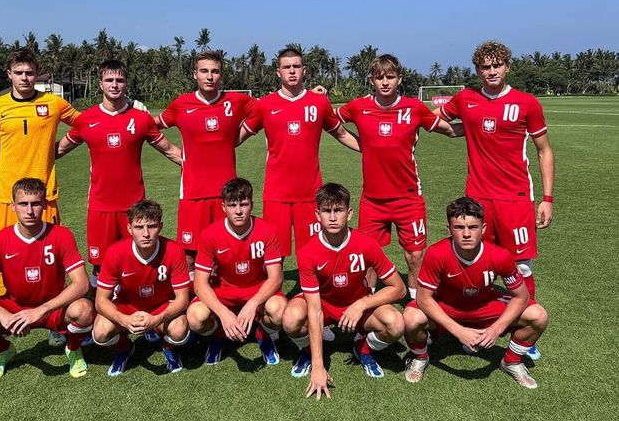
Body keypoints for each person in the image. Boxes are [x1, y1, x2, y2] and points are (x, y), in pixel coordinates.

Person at [432, 40, 555, 360]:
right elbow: (437, 120)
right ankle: (465, 324)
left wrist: (547, 198)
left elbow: (544, 150)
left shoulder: (526, 103)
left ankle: (522, 331)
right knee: (472, 265)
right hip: (477, 199)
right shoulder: (466, 98)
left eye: (496, 65)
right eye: (485, 67)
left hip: (515, 199)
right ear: (477, 70)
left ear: (507, 67)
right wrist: (457, 130)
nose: (491, 72)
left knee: (521, 267)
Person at [336, 54, 462, 299]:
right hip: (373, 200)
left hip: (408, 199)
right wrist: (362, 145)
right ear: (371, 79)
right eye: (380, 77)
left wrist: (484, 124)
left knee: (415, 255)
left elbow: (448, 131)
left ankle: (416, 302)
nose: (385, 82)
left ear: (399, 79)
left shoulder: (414, 108)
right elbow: (330, 121)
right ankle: (367, 301)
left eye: (390, 77)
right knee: (369, 256)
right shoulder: (358, 106)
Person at [0, 178, 94, 381]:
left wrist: (40, 311)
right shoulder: (0, 239)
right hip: (14, 308)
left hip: (51, 309)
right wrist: (3, 315)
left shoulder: (61, 235)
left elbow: (81, 283)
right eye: (23, 204)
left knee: (84, 310)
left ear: (45, 205)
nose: (30, 210)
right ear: (13, 207)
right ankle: (3, 350)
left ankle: (73, 348)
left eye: (36, 203)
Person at [56, 60, 182, 288]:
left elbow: (170, 151)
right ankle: (100, 315)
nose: (114, 85)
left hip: (134, 207)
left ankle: (136, 310)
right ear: (100, 84)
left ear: (126, 83)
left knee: (135, 260)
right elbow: (59, 150)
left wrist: (198, 163)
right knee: (100, 265)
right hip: (100, 206)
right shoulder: (86, 120)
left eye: (120, 80)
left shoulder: (141, 119)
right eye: (109, 80)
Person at [403, 197, 548, 389]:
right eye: (458, 227)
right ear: (449, 229)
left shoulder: (499, 255)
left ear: (484, 228)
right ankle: (420, 358)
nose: (466, 234)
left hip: (484, 306)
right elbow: (423, 298)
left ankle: (511, 361)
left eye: (472, 227)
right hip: (447, 306)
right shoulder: (437, 253)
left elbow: (521, 296)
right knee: (411, 318)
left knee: (538, 316)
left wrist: (496, 329)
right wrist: (459, 331)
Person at [282, 183, 406, 400]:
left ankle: (364, 347)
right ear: (317, 214)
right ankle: (308, 351)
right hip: (324, 305)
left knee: (396, 324)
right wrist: (318, 367)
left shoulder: (366, 244)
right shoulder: (307, 252)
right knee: (291, 318)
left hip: (357, 302)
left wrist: (361, 304)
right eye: (326, 211)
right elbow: (314, 308)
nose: (332, 217)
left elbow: (400, 288)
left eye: (338, 210)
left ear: (348, 214)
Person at [0, 48, 79, 298]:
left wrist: (58, 149)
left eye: (29, 73)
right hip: (5, 196)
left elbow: (85, 125)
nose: (24, 78)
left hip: (44, 193)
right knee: (0, 255)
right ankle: (1, 307)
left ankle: (55, 320)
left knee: (50, 253)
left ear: (37, 74)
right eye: (18, 72)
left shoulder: (53, 103)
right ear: (9, 74)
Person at [238, 48, 360, 257]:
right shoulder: (265, 105)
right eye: (287, 67)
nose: (292, 71)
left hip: (310, 192)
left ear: (304, 70)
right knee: (275, 251)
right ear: (278, 72)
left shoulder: (319, 102)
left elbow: (340, 133)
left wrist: (373, 148)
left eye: (296, 66)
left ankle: (310, 290)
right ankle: (277, 290)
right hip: (277, 193)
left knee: (312, 250)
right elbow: (236, 137)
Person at [154, 51, 258, 271]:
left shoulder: (237, 101)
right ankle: (192, 303)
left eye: (215, 71)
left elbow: (267, 111)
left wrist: (237, 138)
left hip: (227, 194)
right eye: (204, 71)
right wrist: (174, 153)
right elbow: (149, 127)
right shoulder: (181, 104)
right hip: (193, 192)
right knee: (190, 254)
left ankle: (223, 298)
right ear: (195, 75)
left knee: (226, 251)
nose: (209, 76)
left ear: (221, 75)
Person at [187, 178, 286, 366]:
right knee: (195, 317)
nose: (239, 211)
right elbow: (200, 283)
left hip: (256, 288)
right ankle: (219, 334)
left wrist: (253, 303)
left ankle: (262, 332)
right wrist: (223, 313)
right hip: (222, 292)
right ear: (223, 207)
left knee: (279, 311)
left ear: (252, 205)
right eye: (232, 205)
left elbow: (276, 278)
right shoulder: (210, 234)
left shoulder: (267, 230)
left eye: (244, 204)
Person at [93, 199, 191, 376]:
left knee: (179, 330)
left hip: (160, 305)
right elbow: (100, 301)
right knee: (100, 332)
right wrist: (123, 319)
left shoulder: (174, 250)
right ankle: (125, 348)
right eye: (139, 227)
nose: (146, 233)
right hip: (128, 306)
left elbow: (182, 299)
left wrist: (157, 319)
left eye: (151, 226)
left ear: (160, 226)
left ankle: (168, 348)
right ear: (129, 228)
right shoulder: (115, 252)